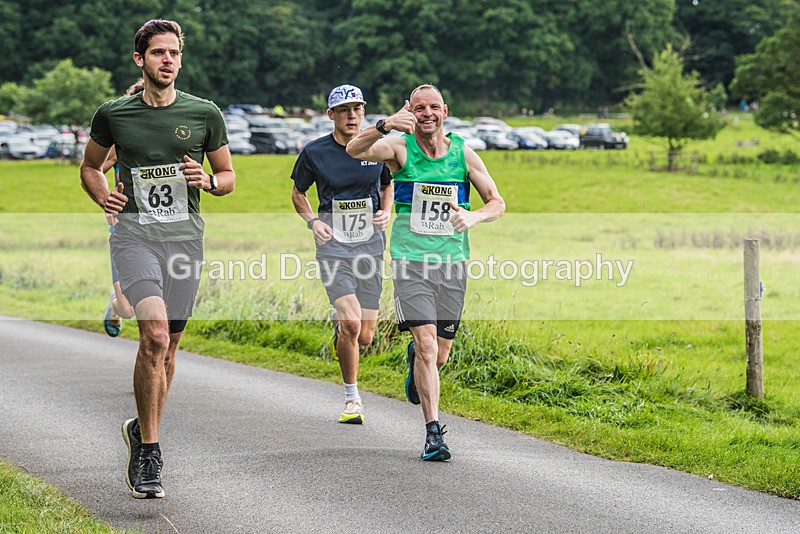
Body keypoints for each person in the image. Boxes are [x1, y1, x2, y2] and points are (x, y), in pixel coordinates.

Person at [79, 19, 235, 499]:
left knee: (169, 350)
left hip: (185, 241)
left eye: (173, 53)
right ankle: (149, 451)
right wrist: (104, 196)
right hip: (134, 238)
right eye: (157, 53)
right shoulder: (114, 114)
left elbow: (228, 175)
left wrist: (206, 181)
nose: (166, 60)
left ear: (181, 59)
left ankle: (140, 429)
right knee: (155, 335)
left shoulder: (204, 113)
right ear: (140, 60)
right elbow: (89, 166)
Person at [346, 84, 505, 461]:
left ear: (445, 112)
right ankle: (434, 434)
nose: (427, 113)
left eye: (434, 107)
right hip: (410, 263)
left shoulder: (464, 153)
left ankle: (418, 364)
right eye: (419, 108)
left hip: (452, 264)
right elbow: (355, 150)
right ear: (411, 111)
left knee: (440, 355)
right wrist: (384, 124)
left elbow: (497, 202)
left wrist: (474, 215)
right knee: (428, 345)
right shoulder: (400, 148)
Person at [291, 84, 393, 424]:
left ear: (363, 112)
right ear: (331, 114)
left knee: (364, 336)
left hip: (370, 248)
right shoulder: (315, 152)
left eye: (357, 109)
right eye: (344, 110)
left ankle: (342, 334)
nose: (352, 115)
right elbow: (298, 193)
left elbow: (386, 184)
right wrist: (313, 222)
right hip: (333, 249)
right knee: (351, 323)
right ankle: (352, 399)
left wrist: (386, 211)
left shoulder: (376, 148)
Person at [101, 79, 145, 337]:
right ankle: (115, 305)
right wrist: (107, 199)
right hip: (124, 227)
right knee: (128, 310)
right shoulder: (121, 143)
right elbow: (95, 169)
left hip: (159, 229)